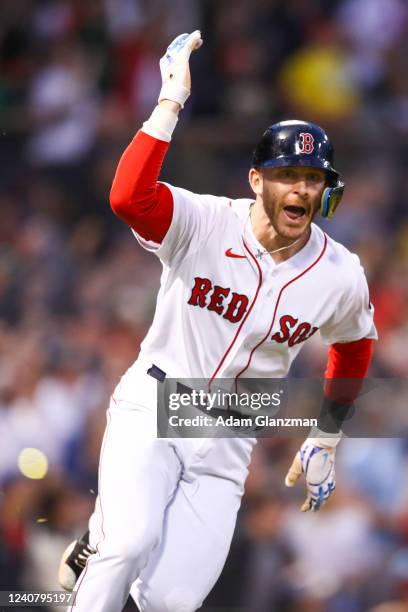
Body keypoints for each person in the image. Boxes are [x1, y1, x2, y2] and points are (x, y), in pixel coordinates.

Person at [59, 31, 376, 612]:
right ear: (257, 181)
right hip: (158, 400)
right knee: (128, 546)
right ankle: (106, 538)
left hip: (232, 433)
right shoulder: (206, 221)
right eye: (287, 174)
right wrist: (170, 102)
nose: (300, 188)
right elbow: (129, 198)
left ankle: (99, 536)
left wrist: (327, 433)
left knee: (170, 602)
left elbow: (354, 348)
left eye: (313, 178)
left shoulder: (339, 272)